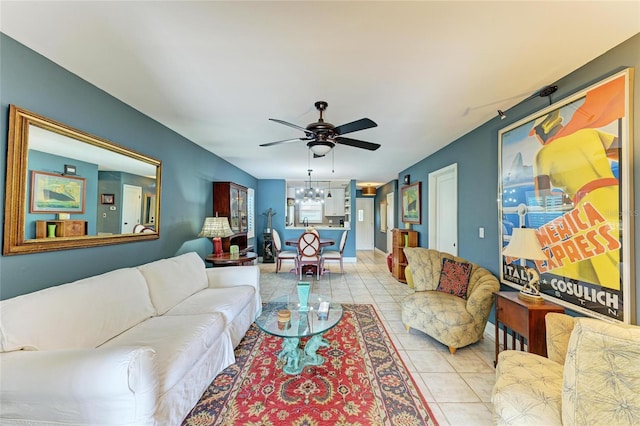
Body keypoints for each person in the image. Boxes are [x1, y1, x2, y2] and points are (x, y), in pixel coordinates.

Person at [531, 108, 620, 290]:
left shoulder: (544, 153)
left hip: (587, 205)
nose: (538, 138)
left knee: (602, 266)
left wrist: (569, 200)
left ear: (544, 128)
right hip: (617, 194)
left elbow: (544, 199)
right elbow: (625, 152)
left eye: (538, 133)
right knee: (604, 258)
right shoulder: (591, 134)